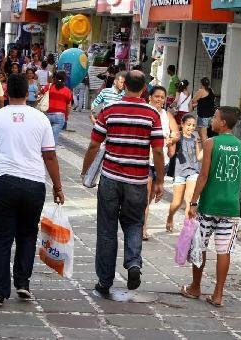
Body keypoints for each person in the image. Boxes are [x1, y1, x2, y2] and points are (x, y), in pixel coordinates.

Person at [0, 73, 64, 307]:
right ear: (27, 92)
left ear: (7, 91)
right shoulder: (40, 119)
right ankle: (23, 283)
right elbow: (49, 155)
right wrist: (58, 187)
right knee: (27, 235)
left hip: (3, 183)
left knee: (0, 239)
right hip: (33, 185)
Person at [80, 70, 165, 295]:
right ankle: (134, 263)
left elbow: (93, 145)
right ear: (144, 88)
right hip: (138, 180)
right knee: (134, 223)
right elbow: (157, 150)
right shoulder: (152, 114)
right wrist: (160, 181)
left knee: (107, 229)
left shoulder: (109, 110)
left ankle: (105, 281)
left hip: (110, 178)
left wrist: (86, 170)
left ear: (123, 85)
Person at [181, 106, 241, 307]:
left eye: (215, 116)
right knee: (224, 251)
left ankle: (195, 287)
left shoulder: (210, 143)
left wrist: (193, 201)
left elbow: (203, 176)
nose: (212, 119)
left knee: (200, 246)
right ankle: (218, 295)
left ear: (222, 122)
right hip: (231, 208)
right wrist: (238, 191)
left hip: (208, 205)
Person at [144, 86, 178, 240]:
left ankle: (142, 221)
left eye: (162, 97)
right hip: (145, 160)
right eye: (156, 96)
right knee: (145, 195)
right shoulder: (144, 112)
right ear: (150, 97)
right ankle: (142, 228)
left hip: (161, 161)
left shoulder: (167, 115)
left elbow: (176, 133)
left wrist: (171, 140)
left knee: (151, 197)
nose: (159, 99)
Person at [165, 113, 201, 232]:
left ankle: (188, 229)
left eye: (193, 125)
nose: (191, 127)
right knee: (176, 203)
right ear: (182, 124)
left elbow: (198, 157)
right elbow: (170, 152)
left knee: (190, 200)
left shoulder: (195, 138)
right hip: (180, 173)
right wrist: (169, 142)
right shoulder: (177, 136)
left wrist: (208, 148)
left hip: (193, 172)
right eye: (188, 125)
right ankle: (170, 217)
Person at [38, 71, 72, 143]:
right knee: (54, 137)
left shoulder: (49, 87)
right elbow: (68, 106)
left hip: (47, 115)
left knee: (46, 136)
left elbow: (39, 94)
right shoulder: (68, 91)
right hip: (60, 116)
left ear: (55, 78)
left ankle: (43, 152)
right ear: (65, 80)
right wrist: (66, 117)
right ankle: (52, 152)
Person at [191, 77, 216, 143]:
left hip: (203, 115)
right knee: (201, 132)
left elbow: (193, 100)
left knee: (203, 134)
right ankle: (205, 145)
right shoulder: (211, 90)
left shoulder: (201, 91)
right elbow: (208, 101)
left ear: (201, 84)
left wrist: (194, 104)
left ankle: (206, 149)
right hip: (211, 114)